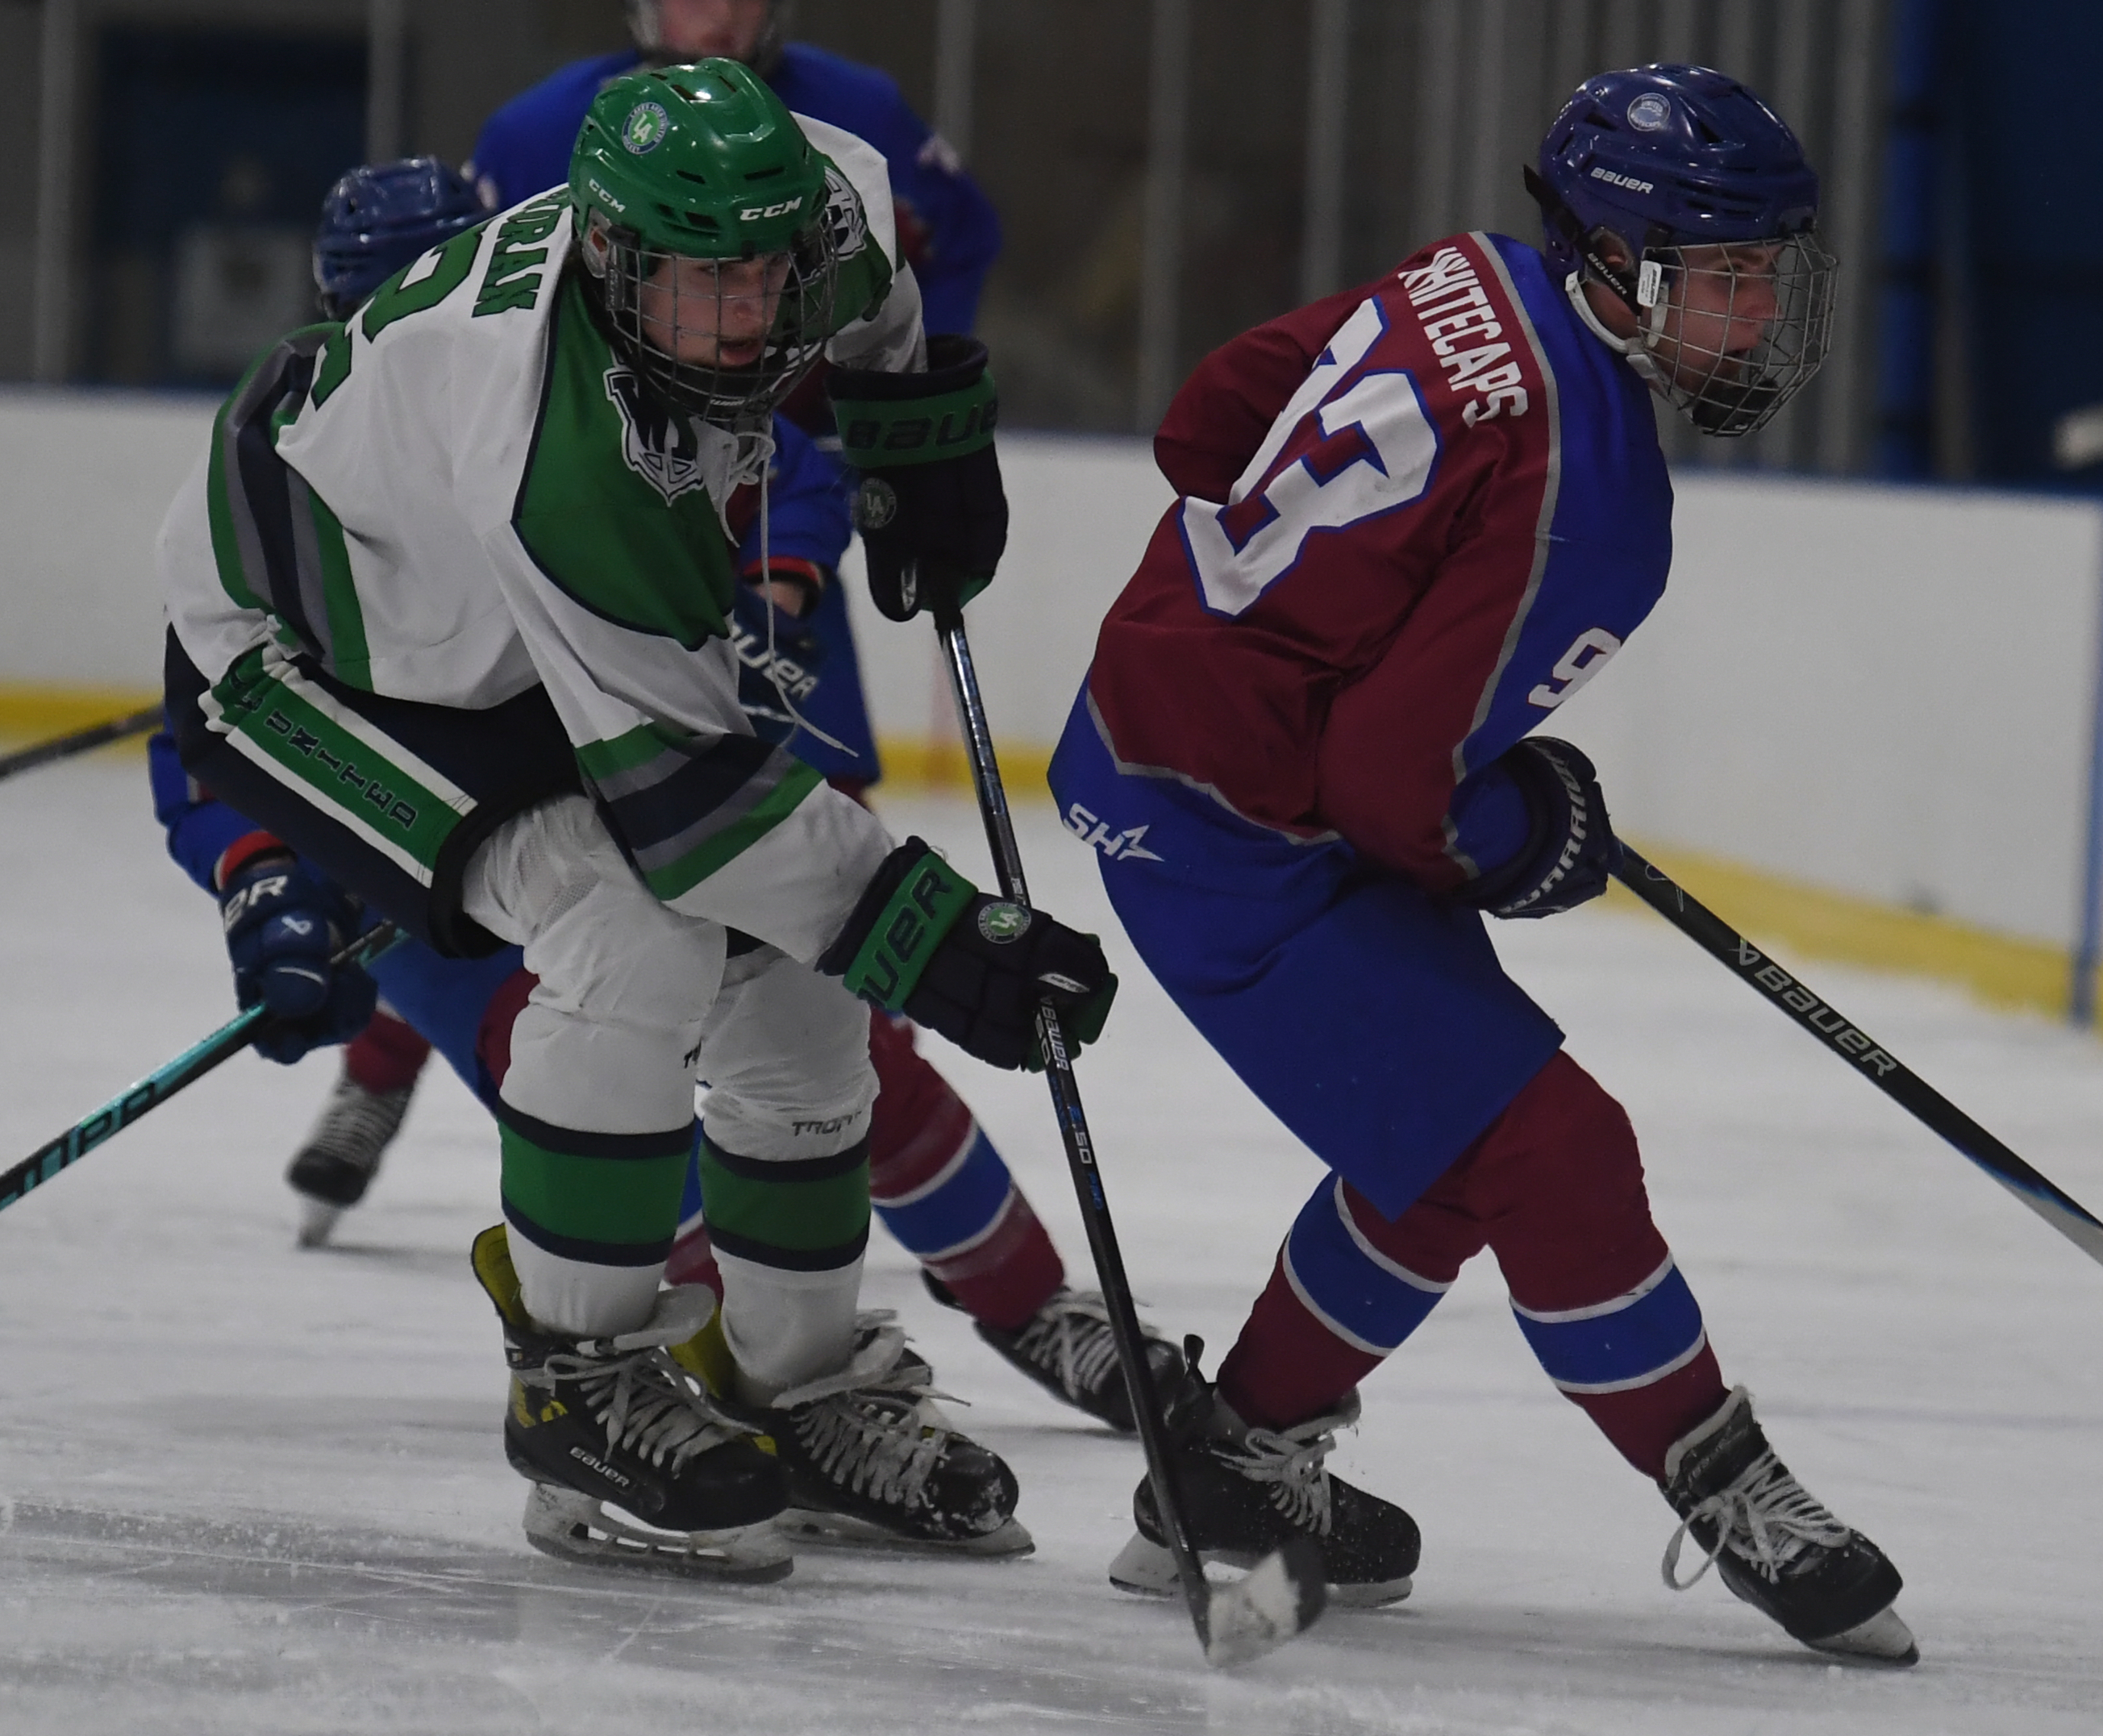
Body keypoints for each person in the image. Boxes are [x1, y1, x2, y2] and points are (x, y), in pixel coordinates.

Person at [155, 64, 1118, 1575]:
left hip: (502, 616)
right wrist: (947, 940)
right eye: (693, 282)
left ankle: (796, 1384)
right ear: (607, 252)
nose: (736, 317)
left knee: (797, 977)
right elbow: (689, 812)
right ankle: (575, 1388)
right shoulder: (551, 443)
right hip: (312, 655)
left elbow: (873, 292)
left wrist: (909, 432)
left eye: (759, 277)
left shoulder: (819, 215)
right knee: (630, 929)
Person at [1047, 64, 1917, 1665]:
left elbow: (1210, 417)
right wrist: (1524, 831)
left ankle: (1230, 1457)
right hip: (1230, 827)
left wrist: (1299, 633)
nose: (1755, 312)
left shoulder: (1467, 276)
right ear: (1619, 262)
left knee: (1447, 1144)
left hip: (1160, 734)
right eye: (1726, 274)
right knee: (1553, 1148)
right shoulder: (1598, 500)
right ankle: (1722, 1479)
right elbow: (1397, 792)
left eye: (1763, 273)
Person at [466, 0, 1001, 335]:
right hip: (619, 453)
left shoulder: (862, 111)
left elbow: (966, 235)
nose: (724, 14)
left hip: (809, 455)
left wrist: (908, 377)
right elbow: (476, 302)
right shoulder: (535, 135)